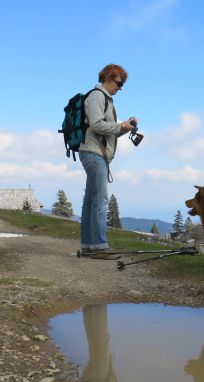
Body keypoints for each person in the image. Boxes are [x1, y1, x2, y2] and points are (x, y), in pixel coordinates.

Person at [79, 64, 137, 254]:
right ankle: (98, 246)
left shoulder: (107, 100)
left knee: (91, 200)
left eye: (122, 85)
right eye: (119, 83)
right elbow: (96, 125)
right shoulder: (97, 96)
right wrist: (120, 126)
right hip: (93, 153)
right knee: (101, 200)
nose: (120, 88)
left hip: (96, 152)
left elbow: (106, 133)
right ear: (108, 78)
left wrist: (124, 128)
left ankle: (88, 245)